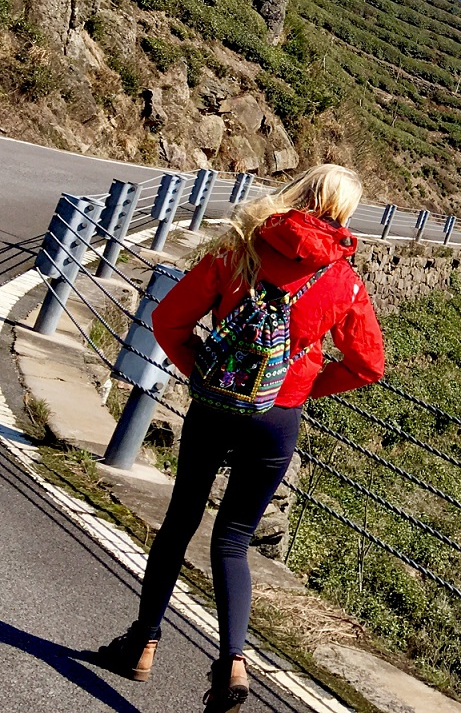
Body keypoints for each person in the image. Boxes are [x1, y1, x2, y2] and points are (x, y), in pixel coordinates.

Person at [94, 164, 385, 712]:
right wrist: (297, 390)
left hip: (213, 406)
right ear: (343, 213)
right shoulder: (343, 280)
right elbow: (369, 364)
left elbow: (169, 322)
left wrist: (201, 372)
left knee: (180, 520)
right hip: (276, 420)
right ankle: (232, 664)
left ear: (298, 194)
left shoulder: (241, 246)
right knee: (231, 540)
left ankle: (143, 645)